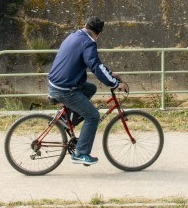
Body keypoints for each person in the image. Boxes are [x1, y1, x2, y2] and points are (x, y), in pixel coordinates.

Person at [47, 16, 128, 165]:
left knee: (91, 88)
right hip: (65, 89)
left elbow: (96, 64)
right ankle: (80, 153)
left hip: (56, 82)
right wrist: (115, 84)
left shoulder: (75, 35)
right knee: (93, 117)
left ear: (85, 26)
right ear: (98, 33)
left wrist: (109, 74)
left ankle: (67, 118)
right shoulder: (88, 43)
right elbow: (95, 66)